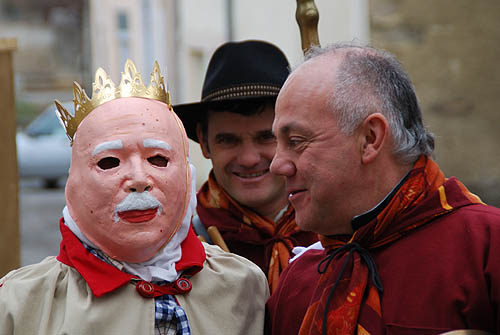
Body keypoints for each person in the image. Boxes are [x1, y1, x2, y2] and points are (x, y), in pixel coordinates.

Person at [0, 59, 268, 334]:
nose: (139, 179)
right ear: (74, 185)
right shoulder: (20, 303)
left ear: (187, 175)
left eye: (158, 159)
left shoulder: (242, 286)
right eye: (109, 162)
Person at [266, 42, 500, 334]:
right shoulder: (299, 282)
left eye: (296, 141)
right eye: (277, 142)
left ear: (370, 138)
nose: (277, 165)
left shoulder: (487, 249)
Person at [174, 40, 317, 292]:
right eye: (229, 140)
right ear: (205, 143)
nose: (249, 158)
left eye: (266, 137)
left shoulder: (336, 231)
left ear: (294, 138)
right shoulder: (176, 243)